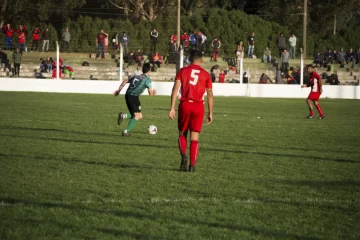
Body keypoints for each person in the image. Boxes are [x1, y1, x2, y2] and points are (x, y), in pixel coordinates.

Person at [168, 50, 213, 172]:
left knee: (182, 134)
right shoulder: (206, 74)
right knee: (195, 138)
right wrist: (210, 113)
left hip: (185, 105)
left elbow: (175, 89)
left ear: (189, 59)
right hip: (199, 107)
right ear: (201, 60)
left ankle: (183, 156)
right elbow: (210, 94)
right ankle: (192, 166)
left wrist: (172, 108)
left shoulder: (182, 71)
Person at [114, 63, 157, 137]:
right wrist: (154, 93)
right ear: (149, 71)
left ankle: (123, 115)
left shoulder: (136, 76)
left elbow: (124, 81)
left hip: (128, 95)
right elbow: (150, 94)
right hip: (133, 97)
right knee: (137, 116)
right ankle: (125, 131)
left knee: (139, 116)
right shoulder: (147, 80)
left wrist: (118, 91)